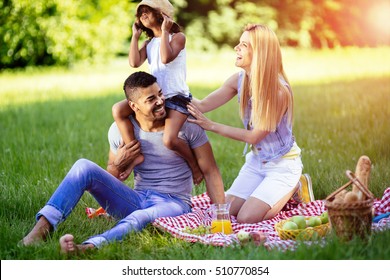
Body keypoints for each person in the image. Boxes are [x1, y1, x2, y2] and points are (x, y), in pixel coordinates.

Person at [21, 71, 226, 253]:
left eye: (161, 94)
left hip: (174, 203)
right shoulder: (120, 130)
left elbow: (211, 172)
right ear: (133, 105)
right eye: (151, 99)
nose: (161, 101)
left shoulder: (186, 127)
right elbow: (110, 178)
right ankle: (40, 231)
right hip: (137, 198)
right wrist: (117, 164)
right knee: (82, 166)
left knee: (141, 216)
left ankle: (89, 247)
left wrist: (221, 217)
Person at [187, 24, 309, 224]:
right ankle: (271, 191)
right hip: (256, 162)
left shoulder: (278, 91)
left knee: (247, 217)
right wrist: (172, 90)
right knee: (227, 210)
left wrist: (212, 126)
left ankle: (295, 185)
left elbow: (254, 137)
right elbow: (202, 105)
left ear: (260, 53)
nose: (236, 48)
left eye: (244, 45)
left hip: (282, 165)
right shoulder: (239, 80)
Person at [112, 0, 203, 185]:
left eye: (148, 11)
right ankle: (134, 152)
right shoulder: (149, 43)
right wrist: (135, 37)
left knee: (169, 140)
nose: (143, 15)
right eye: (141, 13)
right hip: (155, 97)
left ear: (161, 14)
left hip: (177, 98)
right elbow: (134, 63)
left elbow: (165, 57)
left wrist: (165, 32)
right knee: (118, 110)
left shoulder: (177, 37)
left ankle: (194, 165)